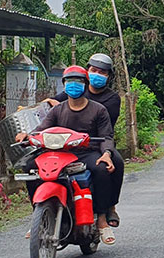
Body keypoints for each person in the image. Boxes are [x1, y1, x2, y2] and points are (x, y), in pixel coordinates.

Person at [24, 65, 119, 245]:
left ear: (85, 84)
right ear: (64, 85)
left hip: (87, 153)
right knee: (29, 168)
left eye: (78, 81)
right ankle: (38, 215)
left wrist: (106, 153)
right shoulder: (57, 110)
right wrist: (29, 136)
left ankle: (101, 220)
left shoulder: (99, 110)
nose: (73, 85)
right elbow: (41, 128)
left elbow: (107, 136)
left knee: (102, 170)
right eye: (69, 81)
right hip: (60, 153)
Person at [43, 52, 125, 227]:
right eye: (94, 70)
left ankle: (109, 206)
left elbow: (105, 130)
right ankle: (42, 214)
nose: (97, 75)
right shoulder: (76, 89)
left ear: (109, 76)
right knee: (32, 168)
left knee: (113, 163)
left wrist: (106, 151)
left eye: (102, 72)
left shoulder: (109, 101)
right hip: (66, 145)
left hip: (97, 142)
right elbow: (54, 103)